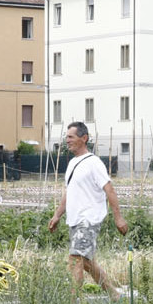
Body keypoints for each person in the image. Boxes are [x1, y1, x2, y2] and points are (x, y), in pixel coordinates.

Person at [46, 121, 128, 292]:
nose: (67, 140)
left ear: (84, 138)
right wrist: (57, 216)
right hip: (75, 219)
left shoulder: (94, 163)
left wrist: (118, 218)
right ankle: (114, 295)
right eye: (66, 137)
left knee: (75, 259)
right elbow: (69, 193)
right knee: (86, 262)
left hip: (88, 219)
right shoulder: (72, 164)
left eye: (71, 137)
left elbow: (109, 190)